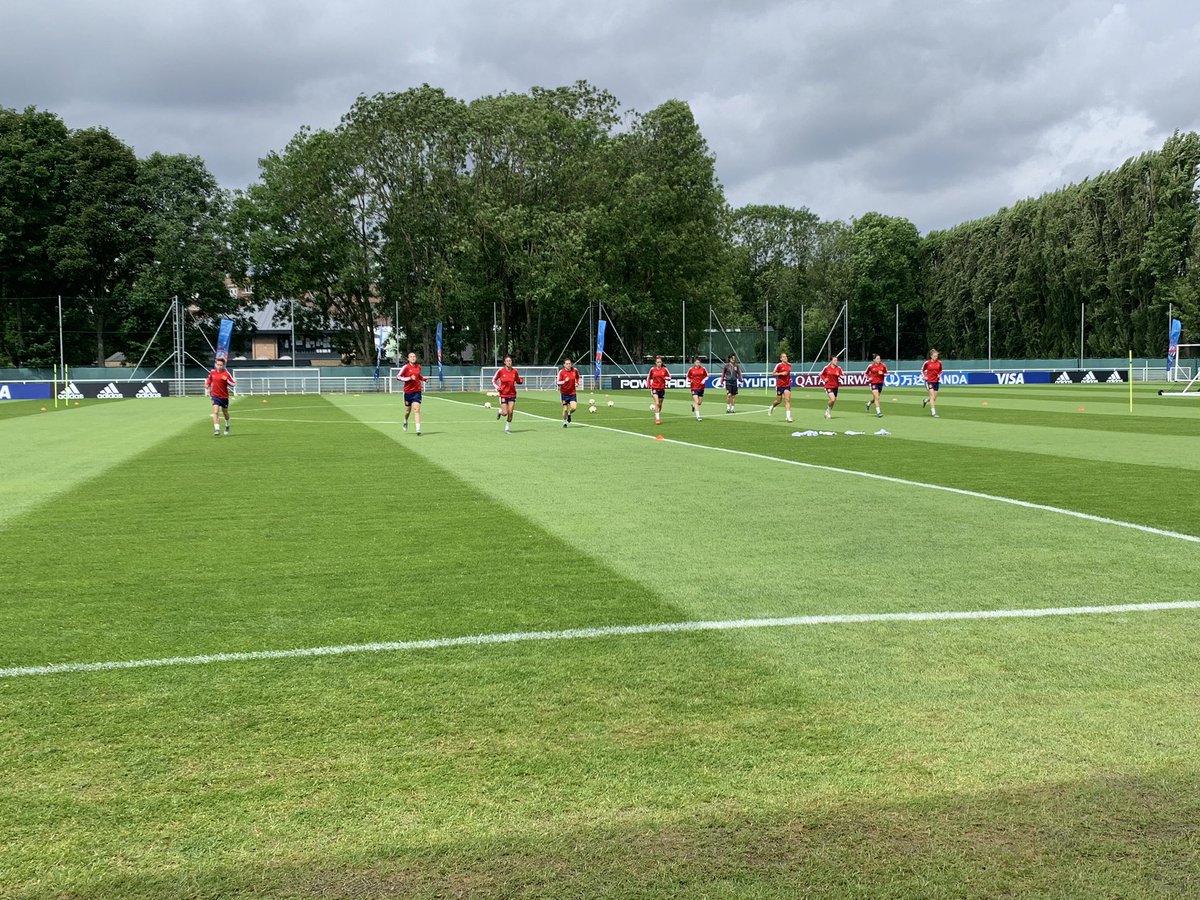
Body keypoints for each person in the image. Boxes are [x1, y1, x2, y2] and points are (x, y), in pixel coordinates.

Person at [396, 351, 428, 435]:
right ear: (408, 359)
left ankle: (418, 429)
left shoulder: (418, 366)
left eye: (414, 356)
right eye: (411, 356)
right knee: (407, 411)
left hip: (417, 391)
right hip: (408, 392)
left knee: (416, 409)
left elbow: (418, 376)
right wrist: (409, 378)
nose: (413, 358)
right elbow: (398, 377)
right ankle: (405, 420)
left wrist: (424, 379)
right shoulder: (405, 367)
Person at [205, 356, 236, 436]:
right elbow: (209, 380)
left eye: (221, 365)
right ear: (216, 364)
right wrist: (207, 384)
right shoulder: (212, 372)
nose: (219, 366)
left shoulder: (226, 373)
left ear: (223, 365)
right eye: (218, 365)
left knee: (225, 412)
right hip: (215, 395)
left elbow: (234, 384)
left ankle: (227, 425)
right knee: (215, 411)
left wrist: (227, 380)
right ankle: (217, 429)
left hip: (224, 396)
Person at [492, 355, 523, 433]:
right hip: (503, 394)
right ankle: (500, 411)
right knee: (505, 413)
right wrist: (497, 387)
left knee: (510, 412)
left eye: (510, 361)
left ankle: (507, 428)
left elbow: (518, 380)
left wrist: (521, 381)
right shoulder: (501, 371)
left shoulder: (514, 371)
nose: (509, 362)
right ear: (504, 362)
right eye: (507, 361)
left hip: (512, 394)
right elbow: (493, 380)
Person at [768, 352, 793, 423]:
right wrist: (781, 373)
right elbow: (773, 373)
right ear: (781, 358)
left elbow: (788, 374)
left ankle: (788, 417)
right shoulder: (778, 365)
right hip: (780, 385)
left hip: (787, 385)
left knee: (787, 400)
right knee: (778, 401)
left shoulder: (789, 365)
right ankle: (772, 407)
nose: (785, 358)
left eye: (786, 356)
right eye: (784, 357)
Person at [557, 358, 581, 427]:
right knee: (565, 409)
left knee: (574, 408)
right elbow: (557, 382)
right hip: (564, 393)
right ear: (564, 365)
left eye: (569, 363)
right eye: (567, 364)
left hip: (572, 393)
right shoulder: (561, 372)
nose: (568, 365)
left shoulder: (575, 370)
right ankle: (564, 422)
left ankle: (569, 414)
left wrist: (577, 383)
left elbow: (577, 377)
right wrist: (564, 381)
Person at [647, 356, 669, 425]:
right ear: (655, 363)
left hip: (662, 388)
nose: (659, 363)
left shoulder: (664, 369)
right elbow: (649, 377)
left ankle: (656, 413)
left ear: (661, 363)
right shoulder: (652, 369)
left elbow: (669, 377)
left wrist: (665, 378)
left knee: (660, 404)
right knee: (657, 402)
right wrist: (648, 384)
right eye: (658, 362)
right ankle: (657, 418)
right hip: (654, 388)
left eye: (660, 362)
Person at [820, 355, 843, 419]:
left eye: (837, 360)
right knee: (832, 399)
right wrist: (824, 379)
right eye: (834, 360)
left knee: (833, 400)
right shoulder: (826, 368)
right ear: (831, 361)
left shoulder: (839, 368)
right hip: (828, 386)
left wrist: (839, 376)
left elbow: (843, 376)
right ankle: (828, 411)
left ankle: (828, 412)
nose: (836, 361)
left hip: (836, 386)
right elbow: (821, 374)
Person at [921, 349, 943, 417]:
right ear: (931, 356)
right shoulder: (927, 363)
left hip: (936, 381)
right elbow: (922, 370)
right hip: (929, 381)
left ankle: (926, 400)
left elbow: (941, 371)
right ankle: (933, 412)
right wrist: (924, 376)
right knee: (932, 396)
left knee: (934, 398)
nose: (936, 357)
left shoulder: (939, 363)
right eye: (934, 356)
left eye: (936, 356)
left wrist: (939, 375)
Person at [686, 356, 709, 420]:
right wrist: (689, 380)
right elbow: (687, 377)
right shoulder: (691, 369)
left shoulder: (703, 369)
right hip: (694, 387)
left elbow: (707, 376)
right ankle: (698, 416)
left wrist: (704, 380)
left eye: (699, 362)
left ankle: (693, 406)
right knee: (696, 401)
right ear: (694, 362)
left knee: (699, 402)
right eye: (697, 362)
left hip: (701, 387)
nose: (698, 363)